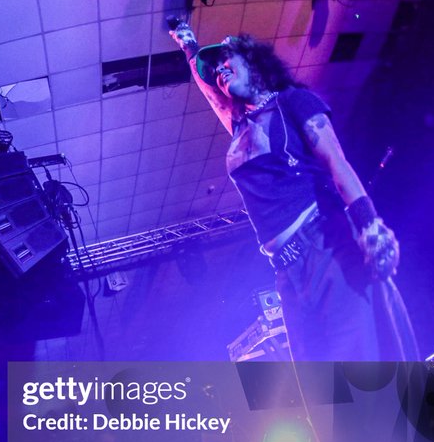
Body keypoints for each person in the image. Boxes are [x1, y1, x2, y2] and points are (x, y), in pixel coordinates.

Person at [168, 23, 417, 362]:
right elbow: (208, 89)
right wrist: (189, 47)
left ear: (254, 62)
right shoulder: (240, 127)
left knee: (360, 362)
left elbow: (336, 161)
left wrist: (370, 224)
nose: (221, 71)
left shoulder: (292, 102)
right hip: (286, 269)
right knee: (318, 384)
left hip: (325, 245)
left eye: (229, 60)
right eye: (217, 70)